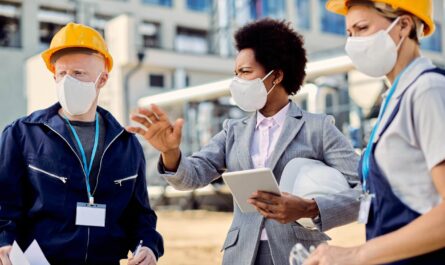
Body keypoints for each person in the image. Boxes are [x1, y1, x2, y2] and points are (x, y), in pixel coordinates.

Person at [127, 19, 360, 265]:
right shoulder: (233, 131)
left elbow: (364, 191)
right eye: (236, 73)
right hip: (241, 255)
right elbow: (191, 176)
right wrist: (171, 152)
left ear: (277, 76)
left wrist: (311, 208)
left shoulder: (318, 128)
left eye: (246, 72)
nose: (237, 81)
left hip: (299, 253)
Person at [0, 23, 163, 265]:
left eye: (78, 73)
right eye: (62, 74)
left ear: (102, 79)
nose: (67, 81)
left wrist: (148, 247)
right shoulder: (22, 135)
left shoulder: (126, 144)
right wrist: (3, 242)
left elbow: (140, 216)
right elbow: (4, 207)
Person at [305, 1, 445, 264]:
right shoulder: (394, 97)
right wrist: (309, 207)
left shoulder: (428, 91)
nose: (353, 43)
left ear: (403, 25)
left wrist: (356, 254)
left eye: (362, 28)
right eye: (349, 34)